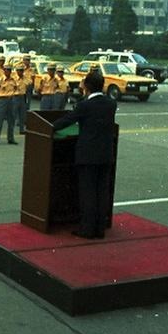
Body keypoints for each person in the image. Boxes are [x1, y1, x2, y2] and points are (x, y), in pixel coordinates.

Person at [51, 70, 117, 239]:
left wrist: (49, 127)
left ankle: (87, 230)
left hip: (88, 155)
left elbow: (68, 120)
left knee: (88, 193)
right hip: (105, 154)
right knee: (101, 192)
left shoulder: (85, 105)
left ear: (87, 86)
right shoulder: (110, 104)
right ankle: (99, 229)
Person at [0, 64, 18, 146]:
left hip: (11, 99)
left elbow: (15, 88)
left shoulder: (13, 80)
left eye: (9, 70)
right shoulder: (0, 80)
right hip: (2, 99)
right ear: (4, 71)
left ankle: (10, 138)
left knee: (11, 120)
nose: (8, 71)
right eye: (6, 70)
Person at [14, 64, 29, 135]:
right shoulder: (13, 78)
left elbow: (29, 83)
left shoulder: (25, 78)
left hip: (22, 96)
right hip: (15, 96)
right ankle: (11, 129)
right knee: (13, 114)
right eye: (19, 70)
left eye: (21, 71)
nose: (20, 72)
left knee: (22, 114)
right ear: (16, 71)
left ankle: (22, 129)